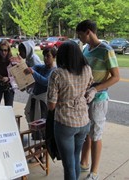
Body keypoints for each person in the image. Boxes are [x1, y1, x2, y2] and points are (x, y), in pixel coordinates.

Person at [76, 20, 120, 180]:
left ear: (88, 32)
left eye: (80, 35)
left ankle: (94, 172)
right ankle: (83, 162)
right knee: (85, 132)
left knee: (95, 134)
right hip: (84, 97)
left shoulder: (106, 50)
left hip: (99, 99)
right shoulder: (86, 49)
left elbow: (116, 77)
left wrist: (96, 89)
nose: (79, 38)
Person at [47, 40, 94, 180]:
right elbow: (88, 87)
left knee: (68, 165)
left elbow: (51, 105)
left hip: (65, 123)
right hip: (83, 121)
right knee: (75, 157)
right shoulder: (87, 69)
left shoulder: (57, 74)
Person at [23, 47, 57, 162]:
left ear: (54, 57)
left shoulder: (54, 71)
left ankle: (42, 153)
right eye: (45, 56)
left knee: (42, 128)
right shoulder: (40, 67)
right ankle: (38, 152)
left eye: (49, 56)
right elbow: (32, 68)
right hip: (35, 99)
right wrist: (25, 67)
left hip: (44, 102)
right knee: (34, 126)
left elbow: (46, 81)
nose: (46, 59)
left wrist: (33, 73)